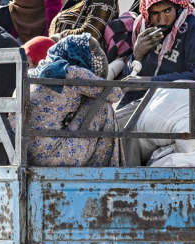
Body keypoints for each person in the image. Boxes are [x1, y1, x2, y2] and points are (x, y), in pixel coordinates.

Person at [12, 34, 122, 167]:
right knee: (102, 107)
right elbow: (115, 93)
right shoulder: (71, 72)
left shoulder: (31, 73)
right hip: (53, 155)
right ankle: (107, 168)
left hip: (19, 153)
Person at [117, 0, 195, 109]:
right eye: (155, 13)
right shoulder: (142, 28)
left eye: (167, 11)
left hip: (175, 105)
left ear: (177, 7)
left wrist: (150, 82)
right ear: (147, 15)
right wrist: (136, 55)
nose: (162, 21)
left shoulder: (189, 27)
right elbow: (128, 81)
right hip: (136, 105)